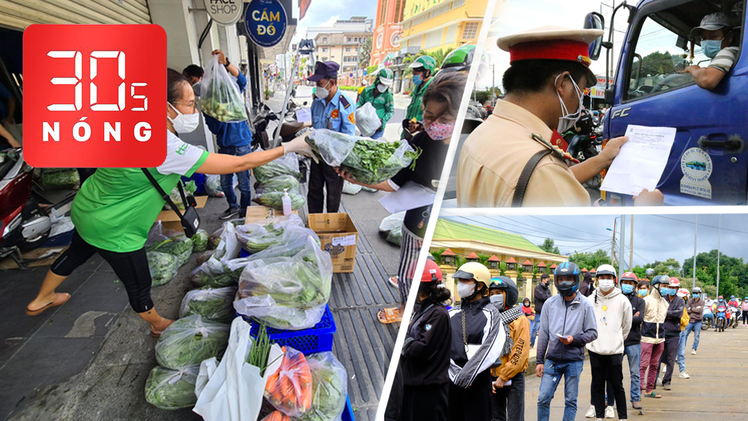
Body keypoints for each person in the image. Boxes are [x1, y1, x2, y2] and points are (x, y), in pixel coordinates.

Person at [24, 69, 312, 336]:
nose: (194, 111)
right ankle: (157, 323)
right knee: (138, 282)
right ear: (164, 107)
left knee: (76, 253)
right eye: (188, 104)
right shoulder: (163, 145)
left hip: (88, 207)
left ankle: (40, 299)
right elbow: (241, 162)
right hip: (114, 228)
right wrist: (289, 147)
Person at [456, 26, 663, 207]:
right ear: (563, 84)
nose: (581, 101)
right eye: (581, 89)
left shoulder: (484, 132)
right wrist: (644, 213)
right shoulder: (541, 168)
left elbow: (545, 183)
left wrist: (602, 159)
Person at [338, 72, 467, 324]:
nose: (435, 123)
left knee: (427, 267)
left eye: (446, 118)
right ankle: (407, 303)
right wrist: (356, 178)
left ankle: (415, 308)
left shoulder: (474, 144)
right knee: (410, 268)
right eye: (429, 116)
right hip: (420, 219)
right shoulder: (421, 143)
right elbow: (393, 181)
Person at [536, 262, 598, 421]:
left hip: (574, 361)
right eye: (560, 279)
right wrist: (539, 361)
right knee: (543, 398)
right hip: (552, 360)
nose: (564, 282)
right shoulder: (549, 303)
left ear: (576, 280)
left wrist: (574, 339)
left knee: (570, 401)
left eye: (568, 279)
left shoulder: (585, 305)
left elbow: (593, 333)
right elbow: (543, 334)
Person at [448, 262, 505, 421]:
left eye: (465, 281)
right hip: (452, 380)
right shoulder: (452, 313)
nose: (460, 285)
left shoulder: (491, 314)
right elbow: (442, 347)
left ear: (479, 285)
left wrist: (466, 375)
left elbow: (489, 350)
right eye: (459, 280)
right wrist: (455, 374)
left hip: (477, 382)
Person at [202, 50, 254, 220]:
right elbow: (215, 129)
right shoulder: (210, 105)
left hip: (242, 145)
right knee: (225, 183)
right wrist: (212, 114)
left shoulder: (233, 93)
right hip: (225, 146)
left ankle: (245, 211)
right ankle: (233, 206)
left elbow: (242, 79)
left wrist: (226, 64)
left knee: (245, 183)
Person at [399, 259, 452, 421]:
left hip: (429, 391)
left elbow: (421, 349)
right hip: (414, 384)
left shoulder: (438, 314)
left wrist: (402, 333)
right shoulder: (422, 309)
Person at [308, 61, 356, 214]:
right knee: (314, 191)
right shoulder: (317, 102)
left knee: (333, 195)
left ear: (332, 82)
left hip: (335, 159)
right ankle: (314, 223)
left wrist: (339, 162)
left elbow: (348, 138)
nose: (318, 87)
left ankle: (330, 224)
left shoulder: (345, 105)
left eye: (320, 83)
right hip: (317, 156)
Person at [584, 265, 631, 421]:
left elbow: (626, 325)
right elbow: (585, 323)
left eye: (608, 277)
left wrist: (617, 338)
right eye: (602, 277)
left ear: (614, 279)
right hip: (595, 349)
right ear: (597, 279)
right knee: (597, 385)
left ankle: (623, 417)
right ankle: (599, 416)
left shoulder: (623, 300)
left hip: (615, 350)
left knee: (617, 385)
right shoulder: (590, 300)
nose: (605, 281)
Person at [488, 277, 531, 421]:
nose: (494, 297)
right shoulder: (488, 319)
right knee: (495, 417)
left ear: (509, 294)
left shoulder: (520, 320)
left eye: (498, 292)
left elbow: (520, 352)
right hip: (492, 376)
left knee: (515, 418)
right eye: (491, 293)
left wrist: (503, 376)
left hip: (513, 377)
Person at [682, 12, 740, 90]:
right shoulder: (722, 57)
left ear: (729, 37)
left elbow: (707, 80)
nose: (708, 42)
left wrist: (692, 68)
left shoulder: (729, 52)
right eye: (704, 38)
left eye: (714, 36)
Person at [639, 275, 669, 399]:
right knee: (643, 365)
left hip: (660, 338)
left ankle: (649, 389)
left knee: (654, 365)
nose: (665, 288)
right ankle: (638, 390)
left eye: (667, 286)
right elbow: (641, 320)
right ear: (656, 286)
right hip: (646, 338)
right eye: (664, 286)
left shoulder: (665, 303)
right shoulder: (646, 301)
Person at [620, 272, 645, 410]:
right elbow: (614, 318)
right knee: (613, 372)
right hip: (617, 341)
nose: (627, 285)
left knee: (635, 372)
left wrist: (624, 317)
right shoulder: (616, 299)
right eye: (625, 282)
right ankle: (608, 398)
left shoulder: (640, 301)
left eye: (630, 283)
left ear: (635, 285)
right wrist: (631, 317)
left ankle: (635, 398)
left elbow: (639, 319)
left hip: (634, 341)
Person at [658, 277, 685, 391]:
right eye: (670, 287)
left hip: (674, 334)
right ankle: (654, 379)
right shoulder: (662, 299)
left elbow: (678, 314)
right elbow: (657, 311)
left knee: (671, 359)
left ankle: (667, 381)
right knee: (657, 358)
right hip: (661, 332)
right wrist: (670, 313)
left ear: (677, 289)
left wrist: (665, 313)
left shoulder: (680, 300)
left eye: (674, 288)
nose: (671, 289)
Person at [402, 55, 437, 139]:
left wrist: (420, 124)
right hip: (408, 132)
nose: (414, 75)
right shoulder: (417, 88)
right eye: (413, 72)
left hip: (420, 135)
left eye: (416, 73)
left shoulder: (434, 88)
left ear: (427, 72)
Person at [356, 68, 395, 139]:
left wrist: (382, 121)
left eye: (386, 85)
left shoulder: (388, 95)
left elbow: (390, 111)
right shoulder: (367, 91)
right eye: (382, 83)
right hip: (365, 125)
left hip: (378, 128)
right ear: (378, 80)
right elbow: (359, 103)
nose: (384, 86)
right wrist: (358, 110)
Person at [531, 273, 552, 348]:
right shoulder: (537, 288)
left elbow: (550, 298)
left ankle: (546, 344)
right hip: (539, 311)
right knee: (536, 328)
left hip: (547, 312)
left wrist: (545, 296)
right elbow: (542, 297)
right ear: (543, 279)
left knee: (547, 328)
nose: (548, 281)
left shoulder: (548, 289)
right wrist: (546, 296)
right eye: (547, 280)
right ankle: (531, 342)